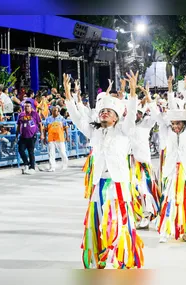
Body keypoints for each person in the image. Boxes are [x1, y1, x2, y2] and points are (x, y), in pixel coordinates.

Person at [64, 71, 144, 269]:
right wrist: (68, 96)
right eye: (101, 111)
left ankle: (120, 258)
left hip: (118, 184)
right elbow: (75, 117)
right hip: (98, 183)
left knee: (117, 220)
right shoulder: (94, 132)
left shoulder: (123, 131)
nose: (104, 113)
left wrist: (132, 93)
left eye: (109, 111)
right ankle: (99, 256)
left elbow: (132, 115)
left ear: (117, 117)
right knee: (98, 219)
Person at [150, 77, 186, 243]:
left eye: (178, 123)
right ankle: (166, 230)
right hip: (172, 171)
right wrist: (167, 90)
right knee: (170, 199)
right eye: (173, 123)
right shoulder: (166, 131)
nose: (175, 126)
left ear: (184, 123)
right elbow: (159, 115)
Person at [129, 83, 160, 230]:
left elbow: (156, 115)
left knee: (145, 190)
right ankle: (136, 216)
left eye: (138, 113)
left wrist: (148, 97)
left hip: (143, 164)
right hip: (129, 164)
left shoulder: (147, 124)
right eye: (134, 113)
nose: (136, 115)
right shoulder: (126, 125)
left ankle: (147, 216)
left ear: (142, 114)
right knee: (132, 190)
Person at [16, 100, 44, 174]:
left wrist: (42, 134)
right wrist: (16, 135)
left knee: (30, 151)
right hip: (23, 136)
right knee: (21, 150)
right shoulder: (21, 115)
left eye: (28, 106)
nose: (26, 108)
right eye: (25, 107)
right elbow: (18, 125)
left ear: (31, 107)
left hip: (32, 135)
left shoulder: (35, 114)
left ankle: (32, 167)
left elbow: (40, 124)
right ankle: (26, 163)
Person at [43, 106, 69, 172]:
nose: (55, 112)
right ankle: (52, 167)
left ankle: (65, 165)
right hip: (51, 138)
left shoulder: (61, 118)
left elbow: (66, 127)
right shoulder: (48, 119)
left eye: (56, 110)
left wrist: (67, 136)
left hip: (60, 138)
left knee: (63, 152)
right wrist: (44, 137)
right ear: (51, 111)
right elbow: (45, 129)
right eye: (54, 110)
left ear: (58, 111)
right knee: (51, 153)